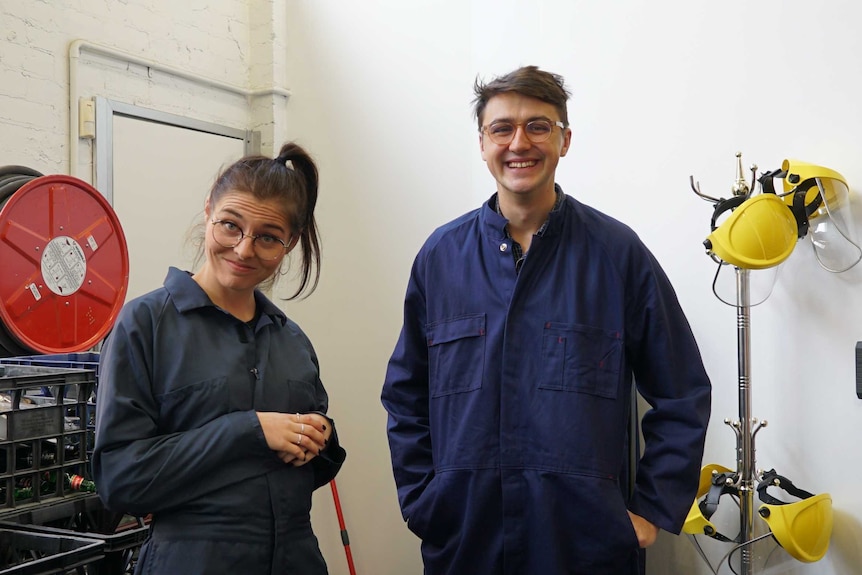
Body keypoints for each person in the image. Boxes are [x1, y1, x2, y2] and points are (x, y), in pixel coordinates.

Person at [380, 66, 712, 575]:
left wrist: (651, 508)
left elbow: (682, 390)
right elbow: (406, 396)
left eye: (538, 126)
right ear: (482, 142)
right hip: (467, 543)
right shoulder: (441, 257)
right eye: (502, 128)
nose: (520, 143)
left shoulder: (616, 254)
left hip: (584, 546)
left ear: (565, 140)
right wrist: (426, 501)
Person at [93, 142, 346, 575]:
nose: (244, 250)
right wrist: (248, 432)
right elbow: (121, 481)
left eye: (268, 237)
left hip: (296, 558)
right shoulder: (146, 325)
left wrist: (318, 436)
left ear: (290, 242)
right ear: (208, 209)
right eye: (230, 225)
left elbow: (311, 468)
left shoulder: (292, 340)